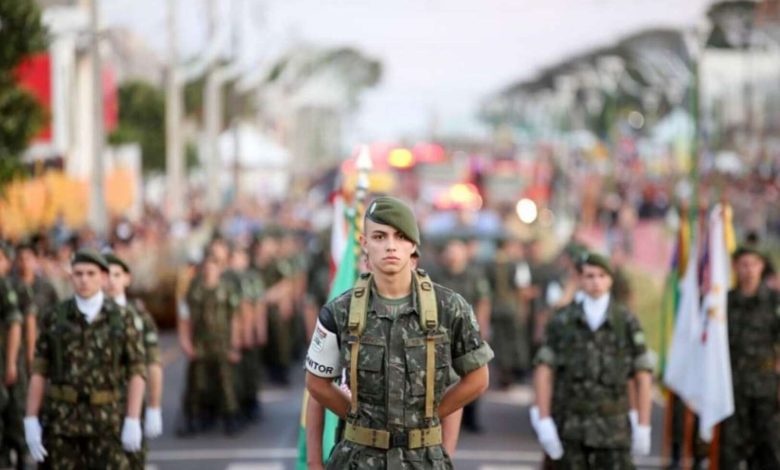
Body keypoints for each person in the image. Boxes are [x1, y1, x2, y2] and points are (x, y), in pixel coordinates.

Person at [305, 196, 493, 469]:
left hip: (423, 460)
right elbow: (317, 384)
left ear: (413, 246)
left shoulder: (449, 307)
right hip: (357, 460)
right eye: (379, 236)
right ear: (364, 243)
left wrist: (427, 421)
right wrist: (359, 422)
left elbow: (476, 378)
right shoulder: (339, 311)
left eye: (400, 236)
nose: (390, 246)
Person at [24, 249, 146, 468]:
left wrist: (133, 418)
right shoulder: (55, 316)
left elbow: (137, 371)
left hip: (108, 422)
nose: (84, 280)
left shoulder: (122, 318)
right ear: (71, 277)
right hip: (62, 423)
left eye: (91, 273)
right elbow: (40, 371)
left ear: (103, 276)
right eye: (78, 274)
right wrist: (31, 418)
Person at [531, 252, 653, 469]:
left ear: (610, 280)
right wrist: (543, 419)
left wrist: (643, 424)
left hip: (613, 431)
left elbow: (642, 375)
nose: (596, 282)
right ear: (580, 279)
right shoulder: (563, 320)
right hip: (569, 428)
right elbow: (544, 371)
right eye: (589, 276)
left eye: (601, 275)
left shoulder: (625, 321)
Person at [719, 246, 780, 468]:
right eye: (743, 264)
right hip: (731, 389)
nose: (748, 270)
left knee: (769, 450)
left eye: (753, 264)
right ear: (735, 267)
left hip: (765, 389)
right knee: (729, 452)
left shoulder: (774, 302)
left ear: (761, 266)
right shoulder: (724, 302)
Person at [104, 253, 164, 469]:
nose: (110, 281)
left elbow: (153, 362)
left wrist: (154, 407)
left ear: (126, 278)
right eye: (106, 275)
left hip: (130, 402)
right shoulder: (87, 314)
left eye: (116, 275)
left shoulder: (138, 316)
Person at [178, 255, 242, 436]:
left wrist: (235, 344)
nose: (209, 270)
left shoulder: (227, 289)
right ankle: (193, 418)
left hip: (222, 342)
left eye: (214, 267)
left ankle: (231, 417)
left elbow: (235, 318)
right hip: (200, 342)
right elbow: (185, 317)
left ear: (220, 269)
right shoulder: (194, 289)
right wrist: (186, 342)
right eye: (206, 267)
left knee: (226, 382)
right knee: (196, 383)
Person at [436, 234, 491, 433]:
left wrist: (483, 327)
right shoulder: (438, 276)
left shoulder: (474, 275)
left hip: (469, 332)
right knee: (446, 378)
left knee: (473, 373)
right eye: (449, 252)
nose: (452, 256)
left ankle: (471, 418)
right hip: (443, 334)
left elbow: (483, 301)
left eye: (457, 252)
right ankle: (445, 415)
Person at [0, 242, 24, 468]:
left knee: (14, 424)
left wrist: (11, 363)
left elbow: (16, 323)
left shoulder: (5, 286)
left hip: (3, 363)